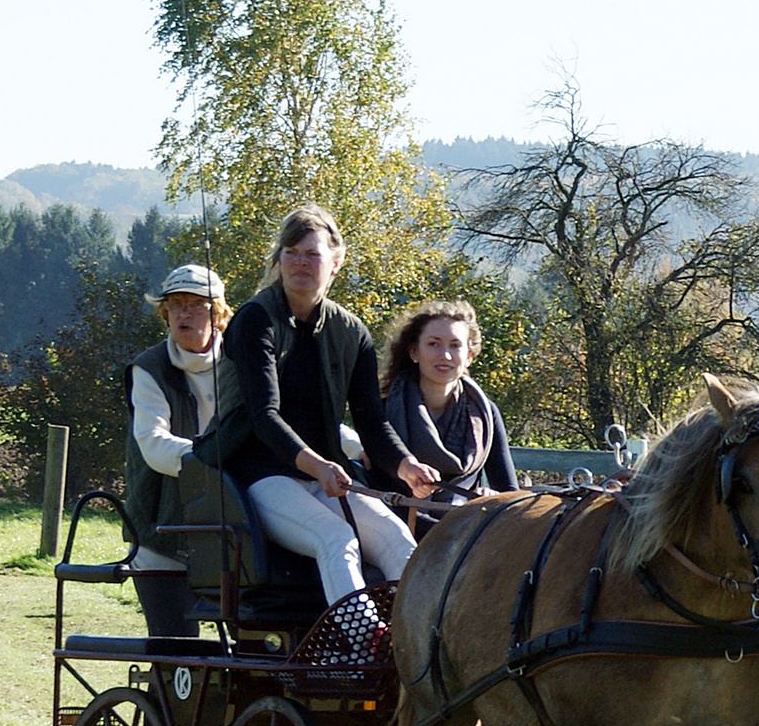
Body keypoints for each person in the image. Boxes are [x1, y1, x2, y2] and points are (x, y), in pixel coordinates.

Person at [221, 205, 438, 614]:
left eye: (312, 254)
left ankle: (413, 647)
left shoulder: (352, 332)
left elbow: (371, 422)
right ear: (279, 260)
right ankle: (360, 649)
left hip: (323, 475)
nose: (300, 262)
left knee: (397, 539)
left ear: (335, 264)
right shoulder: (255, 320)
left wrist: (406, 466)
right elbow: (265, 415)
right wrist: (318, 466)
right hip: (261, 474)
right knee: (335, 539)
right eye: (291, 252)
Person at [125, 263, 231, 636]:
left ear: (218, 313)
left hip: (231, 532)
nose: (183, 314)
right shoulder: (148, 368)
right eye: (175, 305)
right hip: (161, 531)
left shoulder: (244, 363)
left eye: (195, 305)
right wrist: (215, 460)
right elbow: (154, 444)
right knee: (174, 651)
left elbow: (288, 421)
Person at [376, 300, 517, 534]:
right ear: (414, 352)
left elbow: (509, 491)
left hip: (465, 529)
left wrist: (490, 499)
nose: (445, 355)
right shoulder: (384, 410)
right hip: (394, 529)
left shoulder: (486, 414)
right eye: (433, 344)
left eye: (455, 345)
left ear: (469, 355)